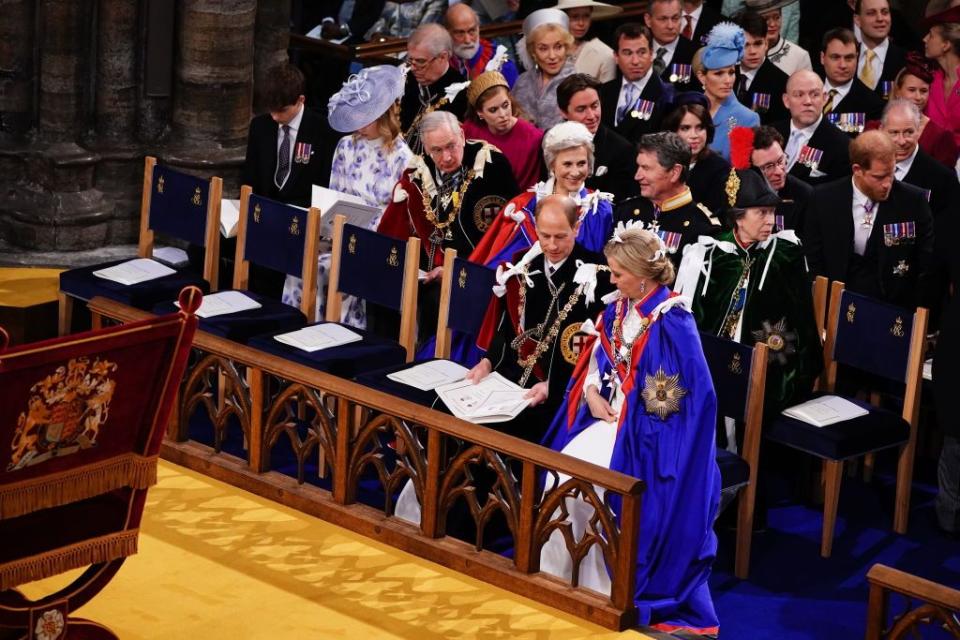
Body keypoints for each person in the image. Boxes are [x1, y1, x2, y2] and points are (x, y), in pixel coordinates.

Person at [540, 223, 721, 635]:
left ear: (643, 275)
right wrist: (589, 392)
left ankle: (604, 587)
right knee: (560, 475)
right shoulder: (619, 306)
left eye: (617, 273)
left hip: (655, 439)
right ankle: (558, 575)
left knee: (601, 486)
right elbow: (596, 358)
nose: (611, 278)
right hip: (608, 420)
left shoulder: (672, 319)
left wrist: (631, 420)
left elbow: (684, 399)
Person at [676, 148, 821, 416]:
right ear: (738, 217)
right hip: (714, 361)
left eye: (772, 212)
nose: (770, 221)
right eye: (762, 213)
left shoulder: (784, 253)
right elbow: (695, 319)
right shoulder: (709, 255)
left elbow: (801, 321)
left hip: (771, 363)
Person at [466, 195, 611, 442]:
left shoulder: (599, 274)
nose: (552, 246)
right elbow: (509, 325)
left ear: (576, 228)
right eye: (544, 236)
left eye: (561, 236)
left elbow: (598, 349)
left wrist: (552, 387)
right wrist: (488, 362)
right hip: (510, 381)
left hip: (560, 391)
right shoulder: (522, 264)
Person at [281, 66, 412, 327]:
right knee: (300, 259)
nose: (359, 125)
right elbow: (335, 194)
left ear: (384, 116)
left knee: (330, 269)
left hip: (375, 239)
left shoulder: (403, 157)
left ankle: (334, 335)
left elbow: (398, 216)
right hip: (340, 229)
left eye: (367, 118)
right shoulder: (346, 145)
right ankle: (295, 329)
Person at [378, 111, 519, 336]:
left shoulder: (492, 166)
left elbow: (505, 234)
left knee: (434, 298)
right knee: (384, 286)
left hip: (477, 267)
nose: (446, 157)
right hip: (430, 266)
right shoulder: (418, 172)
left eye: (452, 146)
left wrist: (456, 268)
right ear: (425, 149)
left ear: (462, 137)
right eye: (437, 150)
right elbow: (398, 225)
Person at [804, 130, 934, 310]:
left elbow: (925, 264)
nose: (887, 183)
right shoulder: (823, 199)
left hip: (893, 310)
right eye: (879, 177)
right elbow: (814, 259)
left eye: (891, 173)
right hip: (836, 306)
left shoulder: (913, 202)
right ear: (857, 170)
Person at [237, 63, 330, 296]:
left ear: (300, 100)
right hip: (265, 216)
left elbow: (324, 186)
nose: (275, 116)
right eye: (271, 110)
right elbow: (249, 178)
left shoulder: (322, 130)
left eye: (282, 110)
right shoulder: (260, 126)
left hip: (301, 220)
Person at [471, 121, 614, 266]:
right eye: (567, 164)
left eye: (582, 163)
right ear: (552, 165)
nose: (575, 172)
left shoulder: (601, 211)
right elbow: (499, 265)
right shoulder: (522, 207)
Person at [614, 132, 721, 268]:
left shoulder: (703, 227)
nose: (637, 176)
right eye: (638, 167)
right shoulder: (625, 210)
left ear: (675, 172)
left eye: (646, 168)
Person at [557, 73, 638, 201]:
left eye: (595, 106)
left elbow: (619, 204)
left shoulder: (622, 150)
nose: (591, 115)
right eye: (581, 109)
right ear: (563, 112)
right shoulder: (550, 142)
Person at [880, 99, 960, 221]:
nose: (902, 141)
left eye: (909, 132)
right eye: (894, 133)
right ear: (881, 130)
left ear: (918, 131)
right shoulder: (865, 169)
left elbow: (948, 234)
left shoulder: (943, 179)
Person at [463, 71, 545, 191]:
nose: (503, 114)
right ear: (480, 113)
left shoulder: (533, 137)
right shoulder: (469, 131)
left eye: (505, 105)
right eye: (493, 110)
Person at [599, 23, 675, 144]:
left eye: (641, 52)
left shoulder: (668, 96)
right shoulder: (604, 91)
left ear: (651, 54)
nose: (635, 61)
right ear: (616, 57)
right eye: (628, 53)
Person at [399, 24, 469, 155]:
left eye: (420, 61)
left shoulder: (461, 93)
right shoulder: (407, 79)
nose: (413, 68)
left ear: (443, 57)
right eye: (410, 60)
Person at [695, 22, 761, 161]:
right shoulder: (688, 110)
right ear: (702, 77)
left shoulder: (747, 119)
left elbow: (739, 171)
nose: (728, 80)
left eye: (731, 72)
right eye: (719, 73)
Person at [774, 69, 851, 185]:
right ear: (786, 100)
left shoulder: (842, 145)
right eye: (799, 95)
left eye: (815, 94)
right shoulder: (770, 132)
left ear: (825, 98)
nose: (808, 101)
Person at [663, 93, 731, 215]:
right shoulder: (660, 162)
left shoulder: (720, 169)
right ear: (672, 131)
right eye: (685, 128)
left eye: (700, 127)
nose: (694, 135)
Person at [889, 52, 960, 169]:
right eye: (912, 90)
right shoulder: (877, 127)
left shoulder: (941, 137)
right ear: (897, 91)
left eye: (923, 91)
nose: (918, 97)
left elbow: (945, 180)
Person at [513, 9, 577, 130]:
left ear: (566, 47)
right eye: (543, 48)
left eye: (558, 47)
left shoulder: (577, 84)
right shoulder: (522, 82)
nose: (552, 56)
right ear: (533, 52)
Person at [820, 28, 886, 134]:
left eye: (849, 58)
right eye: (835, 57)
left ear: (857, 58)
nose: (843, 65)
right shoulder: (805, 91)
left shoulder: (872, 104)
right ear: (822, 58)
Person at [750, 124, 813, 235]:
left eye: (780, 161)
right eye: (769, 166)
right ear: (751, 169)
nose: (779, 172)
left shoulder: (805, 196)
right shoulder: (736, 191)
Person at [735, 10, 790, 125]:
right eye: (745, 45)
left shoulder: (782, 82)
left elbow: (780, 128)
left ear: (766, 43)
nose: (752, 51)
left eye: (758, 44)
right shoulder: (725, 74)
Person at [445, 3, 519, 86]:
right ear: (448, 33)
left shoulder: (501, 64)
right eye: (460, 33)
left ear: (478, 29)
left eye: (472, 31)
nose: (467, 40)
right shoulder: (440, 62)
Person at [922, 7, 960, 147]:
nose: (924, 39)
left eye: (931, 35)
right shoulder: (928, 81)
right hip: (932, 160)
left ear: (946, 45)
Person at [852, 0, 907, 99]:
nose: (880, 18)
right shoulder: (846, 59)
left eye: (885, 12)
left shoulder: (907, 60)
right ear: (857, 20)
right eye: (871, 13)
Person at [557, 0, 621, 83]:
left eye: (586, 16)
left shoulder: (605, 54)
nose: (581, 23)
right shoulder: (549, 49)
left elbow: (607, 93)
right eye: (575, 16)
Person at [747, 0, 811, 77]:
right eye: (765, 19)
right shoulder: (741, 53)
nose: (773, 24)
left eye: (777, 17)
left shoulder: (800, 56)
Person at [645, 0, 700, 90]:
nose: (670, 26)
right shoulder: (636, 51)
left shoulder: (696, 54)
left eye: (675, 18)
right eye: (663, 19)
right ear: (648, 20)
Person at [364, 0, 446, 41]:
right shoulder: (388, 2)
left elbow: (424, 37)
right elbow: (373, 32)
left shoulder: (436, 1)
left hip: (416, 61)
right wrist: (376, 35)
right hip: (380, 57)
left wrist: (387, 40)